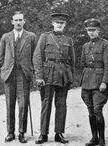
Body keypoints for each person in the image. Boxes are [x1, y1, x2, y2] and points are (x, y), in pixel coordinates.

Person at [33, 11, 75, 144]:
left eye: (62, 23)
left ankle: (59, 133)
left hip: (63, 75)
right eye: (57, 22)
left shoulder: (68, 40)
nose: (59, 25)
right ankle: (43, 134)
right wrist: (39, 76)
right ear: (52, 23)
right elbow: (37, 56)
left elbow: (72, 60)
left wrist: (71, 77)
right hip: (48, 74)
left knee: (61, 104)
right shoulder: (45, 37)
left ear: (65, 25)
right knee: (46, 104)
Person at [0, 10, 37, 143]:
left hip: (24, 74)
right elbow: (0, 55)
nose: (18, 22)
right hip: (9, 75)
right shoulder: (6, 37)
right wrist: (6, 67)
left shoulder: (31, 36)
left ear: (24, 21)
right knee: (10, 104)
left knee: (23, 104)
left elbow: (35, 56)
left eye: (21, 20)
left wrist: (31, 70)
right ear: (12, 22)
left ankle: (21, 133)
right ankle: (10, 132)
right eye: (16, 20)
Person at [80, 18, 108, 146]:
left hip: (99, 82)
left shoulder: (105, 45)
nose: (91, 33)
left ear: (98, 30)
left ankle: (102, 139)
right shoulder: (85, 46)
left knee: (97, 110)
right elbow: (83, 63)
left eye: (93, 30)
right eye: (89, 30)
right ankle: (94, 138)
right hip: (87, 81)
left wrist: (105, 81)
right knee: (90, 110)